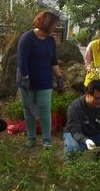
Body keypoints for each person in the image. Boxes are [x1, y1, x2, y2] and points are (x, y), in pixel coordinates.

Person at [16, 10, 64, 149]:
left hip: (44, 81)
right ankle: (31, 138)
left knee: (44, 109)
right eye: (54, 25)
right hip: (27, 81)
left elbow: (53, 60)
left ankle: (46, 139)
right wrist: (25, 78)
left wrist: (59, 77)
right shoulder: (27, 38)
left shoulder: (50, 40)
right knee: (29, 110)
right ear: (47, 24)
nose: (55, 28)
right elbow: (22, 60)